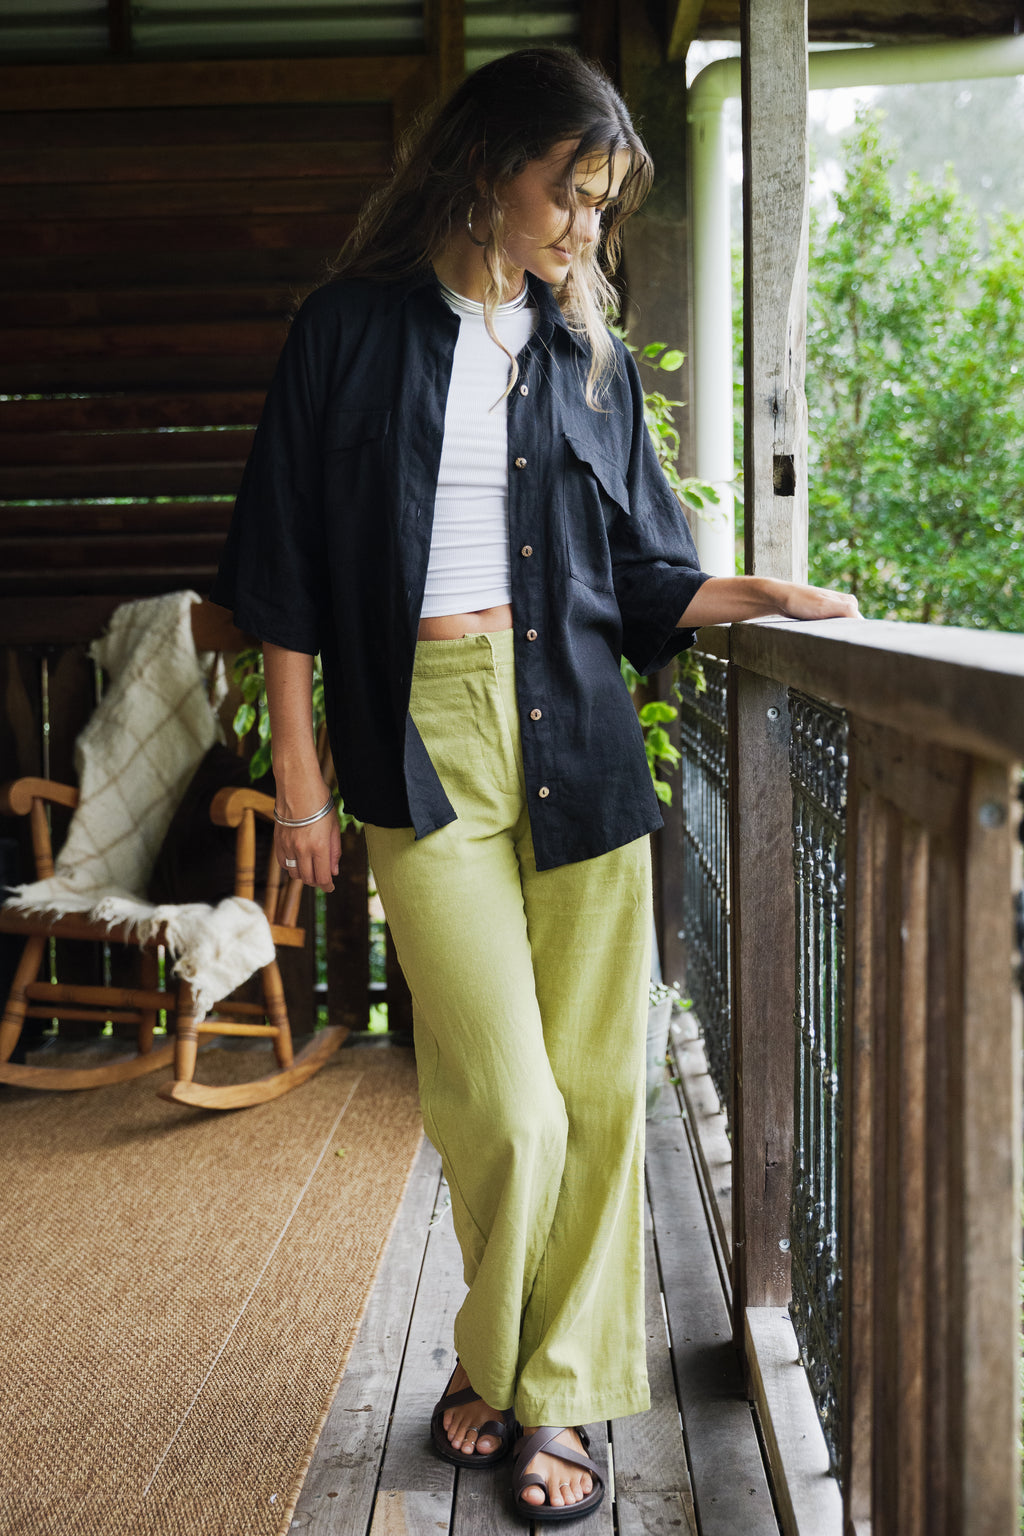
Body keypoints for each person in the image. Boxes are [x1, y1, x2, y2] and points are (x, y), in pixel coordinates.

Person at [211, 46, 858, 1524]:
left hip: (576, 735)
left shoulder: (587, 358)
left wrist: (759, 591)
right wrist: (302, 778)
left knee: (601, 1092)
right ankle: (500, 1356)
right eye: (568, 193)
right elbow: (285, 577)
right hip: (420, 738)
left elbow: (642, 575)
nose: (583, 228)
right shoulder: (346, 334)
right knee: (506, 1106)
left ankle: (543, 1392)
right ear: (487, 163)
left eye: (603, 204)